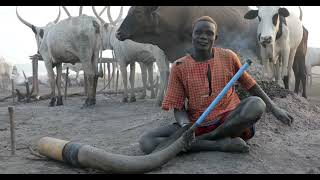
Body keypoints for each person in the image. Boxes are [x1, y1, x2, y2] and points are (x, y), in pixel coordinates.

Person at [139, 16, 294, 154]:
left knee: (257, 104)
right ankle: (217, 145)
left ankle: (209, 138)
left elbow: (251, 86)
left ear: (216, 37)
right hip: (196, 124)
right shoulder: (179, 66)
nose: (203, 37)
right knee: (146, 142)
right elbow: (178, 108)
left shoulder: (228, 57)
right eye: (198, 32)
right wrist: (186, 126)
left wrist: (275, 109)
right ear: (191, 36)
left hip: (230, 121)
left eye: (209, 33)